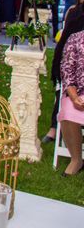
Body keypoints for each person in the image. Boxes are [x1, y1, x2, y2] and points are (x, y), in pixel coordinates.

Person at [42, 0, 84, 145]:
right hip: (71, 63)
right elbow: (65, 40)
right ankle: (54, 128)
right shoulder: (73, 13)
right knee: (63, 91)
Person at [57, 28, 84, 176]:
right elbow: (67, 71)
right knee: (67, 112)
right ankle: (76, 160)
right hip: (80, 93)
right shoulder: (75, 38)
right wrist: (74, 97)